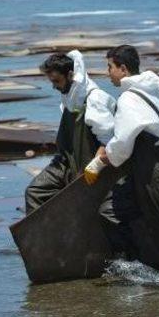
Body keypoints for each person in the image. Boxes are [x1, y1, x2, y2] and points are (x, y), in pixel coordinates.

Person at [84, 44, 159, 279]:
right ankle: (137, 266)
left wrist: (100, 161)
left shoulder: (128, 99)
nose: (108, 73)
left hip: (155, 169)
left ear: (123, 69)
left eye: (110, 67)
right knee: (110, 212)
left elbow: (122, 145)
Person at [25, 51, 116, 214]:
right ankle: (44, 238)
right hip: (66, 162)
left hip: (92, 164)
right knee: (35, 192)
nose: (54, 86)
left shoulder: (94, 99)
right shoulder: (69, 95)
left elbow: (110, 140)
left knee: (89, 210)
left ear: (70, 74)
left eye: (56, 81)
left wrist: (96, 165)